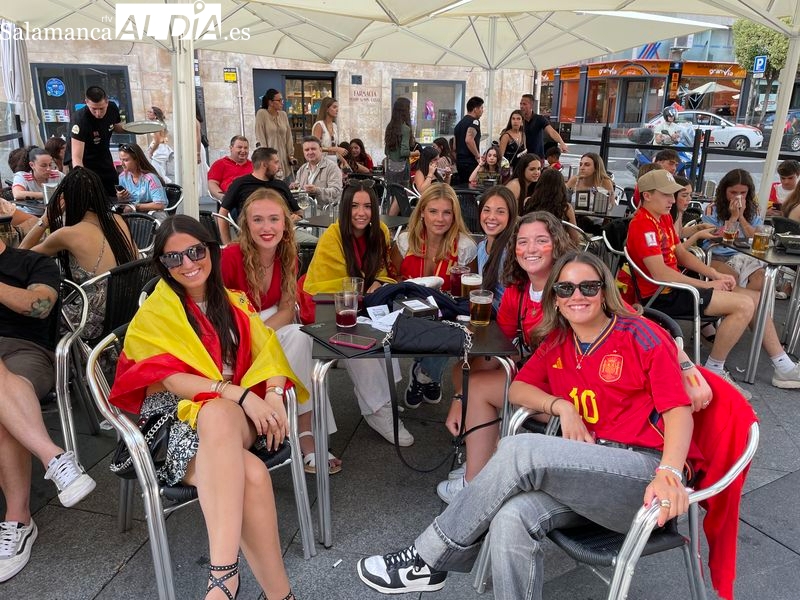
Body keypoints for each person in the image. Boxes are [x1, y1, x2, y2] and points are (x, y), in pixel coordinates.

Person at [357, 252, 704, 599]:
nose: (577, 296)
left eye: (589, 286)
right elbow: (519, 387)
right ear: (555, 297)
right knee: (512, 517)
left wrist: (669, 472)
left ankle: (427, 558)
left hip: (644, 477)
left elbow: (678, 410)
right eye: (566, 288)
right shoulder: (559, 340)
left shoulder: (638, 335)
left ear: (605, 291)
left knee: (520, 449)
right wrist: (560, 406)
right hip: (591, 476)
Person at [109, 215, 302, 600]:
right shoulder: (155, 312)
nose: (187, 263)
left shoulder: (232, 302)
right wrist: (237, 394)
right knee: (252, 475)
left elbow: (271, 353)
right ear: (162, 265)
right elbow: (171, 379)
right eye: (173, 258)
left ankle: (223, 578)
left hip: (234, 415)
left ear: (209, 249)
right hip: (175, 416)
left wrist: (275, 394)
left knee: (218, 413)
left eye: (195, 251)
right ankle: (280, 595)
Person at [619, 169, 800, 391]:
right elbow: (661, 274)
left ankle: (782, 364)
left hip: (674, 288)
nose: (671, 199)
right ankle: (714, 371)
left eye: (672, 194)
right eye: (666, 195)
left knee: (756, 299)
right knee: (744, 305)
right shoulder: (642, 225)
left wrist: (714, 274)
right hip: (662, 295)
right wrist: (707, 283)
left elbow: (681, 254)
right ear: (647, 196)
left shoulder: (662, 217)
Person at [221, 189, 340, 473]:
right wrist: (251, 337)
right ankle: (299, 433)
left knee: (300, 335)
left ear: (285, 224)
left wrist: (260, 335)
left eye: (274, 219)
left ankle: (303, 429)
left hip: (269, 328)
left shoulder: (288, 254)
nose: (267, 227)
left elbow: (287, 310)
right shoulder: (231, 256)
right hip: (232, 336)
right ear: (246, 225)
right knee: (298, 340)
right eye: (258, 220)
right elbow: (220, 314)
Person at [0, 236, 97, 583]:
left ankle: (19, 518)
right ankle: (54, 457)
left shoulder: (30, 262)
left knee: (4, 414)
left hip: (25, 352)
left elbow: (37, 305)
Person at [304, 180, 414, 446]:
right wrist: (367, 287)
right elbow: (320, 284)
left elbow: (385, 272)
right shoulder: (333, 234)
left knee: (386, 333)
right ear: (345, 208)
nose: (361, 213)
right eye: (354, 206)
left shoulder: (381, 231)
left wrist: (377, 282)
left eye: (367, 206)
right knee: (358, 342)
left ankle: (383, 398)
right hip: (327, 309)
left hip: (365, 305)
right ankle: (378, 410)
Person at [19, 167, 138, 340]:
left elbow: (19, 258)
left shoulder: (68, 234)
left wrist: (45, 220)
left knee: (28, 316)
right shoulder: (118, 220)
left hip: (90, 321)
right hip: (127, 311)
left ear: (66, 200)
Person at [390, 183, 478, 409]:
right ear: (422, 213)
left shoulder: (466, 247)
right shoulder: (403, 242)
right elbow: (394, 279)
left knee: (452, 328)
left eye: (446, 212)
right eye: (433, 211)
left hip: (446, 315)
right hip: (409, 313)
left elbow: (470, 293)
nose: (440, 219)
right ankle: (428, 373)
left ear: (454, 215)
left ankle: (423, 374)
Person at [218, 147, 314, 245]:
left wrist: (297, 216)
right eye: (276, 162)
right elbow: (222, 214)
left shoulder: (281, 185)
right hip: (254, 236)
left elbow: (298, 212)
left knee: (316, 244)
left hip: (285, 234)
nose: (279, 166)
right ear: (264, 164)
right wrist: (227, 244)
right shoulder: (240, 184)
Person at [68, 86, 126, 196]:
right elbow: (76, 157)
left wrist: (137, 129)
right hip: (85, 160)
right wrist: (82, 178)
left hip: (104, 154)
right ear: (86, 102)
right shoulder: (80, 119)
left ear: (107, 102)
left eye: (101, 109)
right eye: (94, 109)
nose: (98, 113)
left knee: (113, 190)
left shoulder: (112, 108)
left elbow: (115, 127)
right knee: (92, 194)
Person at [522, 168, 579, 237]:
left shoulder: (528, 201)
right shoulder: (566, 208)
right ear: (561, 187)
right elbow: (575, 237)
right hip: (556, 244)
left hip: (532, 240)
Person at [115, 143, 167, 216]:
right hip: (132, 216)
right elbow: (123, 203)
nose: (122, 164)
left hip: (151, 216)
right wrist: (120, 197)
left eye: (126, 160)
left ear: (136, 160)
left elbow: (160, 204)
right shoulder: (123, 177)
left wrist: (135, 207)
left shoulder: (150, 178)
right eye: (121, 160)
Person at [255, 89, 296, 180]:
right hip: (270, 160)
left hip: (285, 159)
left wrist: (291, 155)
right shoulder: (262, 113)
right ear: (270, 102)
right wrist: (266, 159)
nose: (282, 103)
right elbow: (260, 137)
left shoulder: (283, 115)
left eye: (282, 100)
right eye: (279, 100)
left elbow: (289, 137)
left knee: (288, 187)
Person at [293, 136, 343, 210]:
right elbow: (299, 193)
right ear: (303, 152)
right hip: (304, 212)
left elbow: (336, 193)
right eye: (307, 150)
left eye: (313, 149)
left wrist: (316, 190)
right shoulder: (302, 169)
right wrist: (295, 187)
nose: (310, 152)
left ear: (320, 149)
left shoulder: (332, 167)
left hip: (326, 213)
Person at [669, 175, 716, 247]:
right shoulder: (666, 216)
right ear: (672, 196)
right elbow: (675, 250)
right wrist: (697, 236)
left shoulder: (679, 211)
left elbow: (679, 233)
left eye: (690, 195)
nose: (689, 199)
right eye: (684, 195)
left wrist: (699, 228)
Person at [519, 93, 568, 159]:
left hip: (537, 157)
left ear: (531, 105)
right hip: (522, 158)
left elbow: (552, 132)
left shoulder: (539, 119)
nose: (521, 106)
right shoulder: (518, 119)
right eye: (521, 104)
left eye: (524, 104)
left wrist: (561, 142)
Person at [384, 97, 416, 193]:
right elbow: (404, 152)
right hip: (403, 169)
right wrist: (415, 153)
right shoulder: (405, 129)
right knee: (401, 197)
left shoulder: (389, 127)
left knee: (391, 196)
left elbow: (386, 152)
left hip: (390, 168)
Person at [207, 136, 253, 204]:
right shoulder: (220, 164)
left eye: (246, 148)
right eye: (239, 147)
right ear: (231, 148)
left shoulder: (254, 166)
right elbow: (212, 183)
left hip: (253, 199)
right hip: (232, 201)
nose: (243, 150)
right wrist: (223, 197)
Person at [453, 96, 484, 184]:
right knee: (471, 186)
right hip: (470, 162)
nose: (482, 111)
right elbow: (469, 140)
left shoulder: (459, 124)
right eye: (481, 108)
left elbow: (454, 147)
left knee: (463, 187)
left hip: (460, 162)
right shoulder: (475, 122)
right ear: (475, 109)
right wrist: (478, 156)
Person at [312, 97, 347, 163]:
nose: (337, 110)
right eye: (334, 107)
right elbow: (315, 147)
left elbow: (336, 148)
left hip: (333, 160)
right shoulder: (319, 125)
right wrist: (336, 149)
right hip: (321, 161)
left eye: (337, 107)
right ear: (327, 109)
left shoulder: (334, 126)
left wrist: (344, 162)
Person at [144, 106, 173, 183]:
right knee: (159, 171)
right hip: (161, 149)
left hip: (159, 150)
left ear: (155, 115)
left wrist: (151, 151)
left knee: (157, 172)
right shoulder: (159, 123)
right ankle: (165, 186)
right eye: (148, 112)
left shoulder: (156, 124)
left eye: (150, 112)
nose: (148, 113)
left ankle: (166, 186)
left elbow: (157, 140)